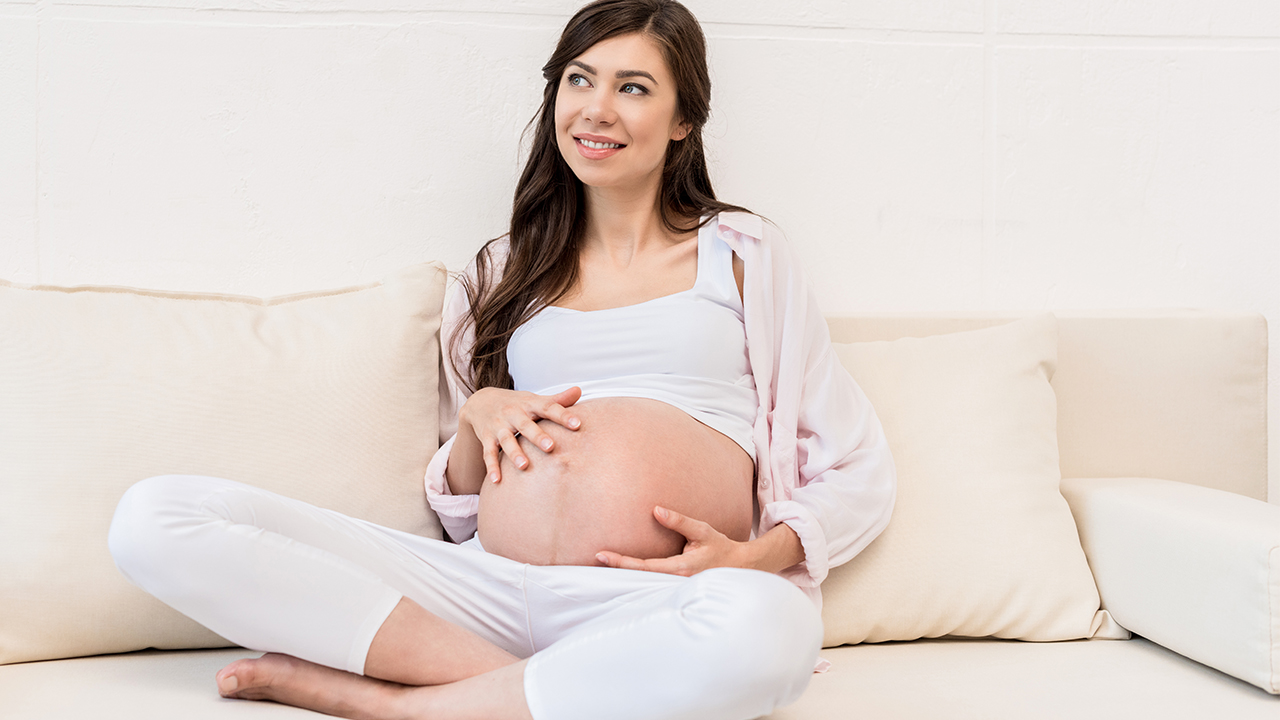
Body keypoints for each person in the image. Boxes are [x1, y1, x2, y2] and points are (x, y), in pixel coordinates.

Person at [107, 1, 896, 718]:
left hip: (644, 601)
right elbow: (456, 509)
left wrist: (760, 555)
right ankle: (540, 687)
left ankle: (401, 705)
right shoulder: (501, 269)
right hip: (478, 588)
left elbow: (855, 463)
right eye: (579, 79)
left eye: (633, 88)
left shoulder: (745, 255)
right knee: (156, 517)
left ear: (685, 116)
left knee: (769, 628)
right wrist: (476, 424)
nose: (596, 108)